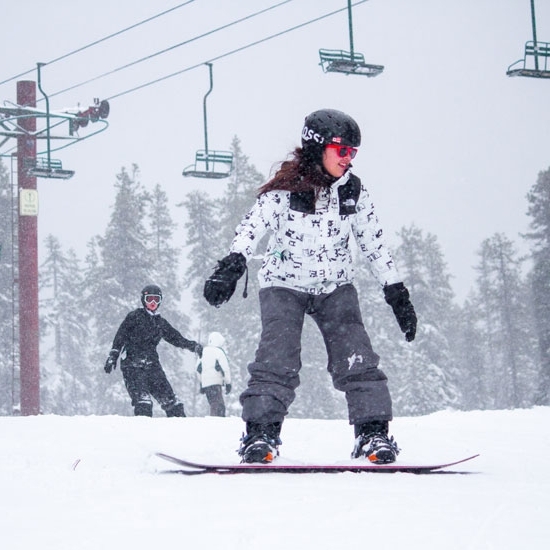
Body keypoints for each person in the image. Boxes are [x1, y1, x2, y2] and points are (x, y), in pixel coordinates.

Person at [203, 109, 417, 464]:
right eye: (341, 150)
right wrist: (232, 264)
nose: (348, 159)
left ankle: (373, 434)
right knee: (277, 358)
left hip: (335, 287)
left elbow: (374, 244)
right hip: (283, 285)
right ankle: (260, 436)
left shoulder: (353, 192)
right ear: (318, 147)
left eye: (353, 152)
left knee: (357, 356)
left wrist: (397, 292)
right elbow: (250, 228)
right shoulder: (284, 191)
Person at [104, 284, 202, 417]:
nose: (153, 303)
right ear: (143, 300)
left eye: (156, 299)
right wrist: (113, 355)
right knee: (143, 402)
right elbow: (120, 337)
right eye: (149, 299)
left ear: (160, 301)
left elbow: (176, 338)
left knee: (173, 403)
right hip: (132, 365)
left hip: (152, 366)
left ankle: (180, 431)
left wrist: (193, 346)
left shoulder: (160, 323)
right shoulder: (134, 317)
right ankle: (144, 433)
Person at [196, 331, 232, 417]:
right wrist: (228, 383)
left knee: (213, 403)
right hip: (215, 383)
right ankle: (216, 423)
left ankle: (216, 421)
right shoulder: (218, 352)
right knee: (219, 406)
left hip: (206, 385)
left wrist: (201, 383)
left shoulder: (203, 352)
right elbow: (225, 369)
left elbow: (198, 369)